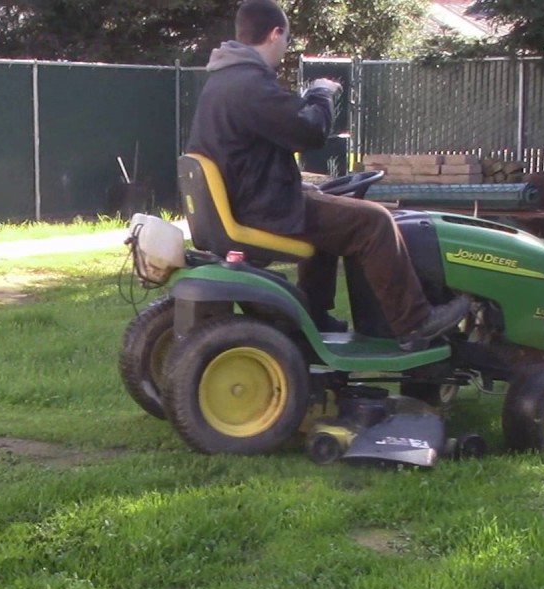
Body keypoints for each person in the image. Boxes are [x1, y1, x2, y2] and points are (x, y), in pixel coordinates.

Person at [184, 0, 469, 350]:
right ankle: (414, 323)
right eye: (286, 41)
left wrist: (301, 184)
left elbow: (260, 147)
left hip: (249, 199)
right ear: (275, 34)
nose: (285, 50)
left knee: (327, 210)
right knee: (375, 222)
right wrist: (322, 94)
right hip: (261, 210)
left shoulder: (226, 79)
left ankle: (314, 315)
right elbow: (309, 133)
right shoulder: (249, 85)